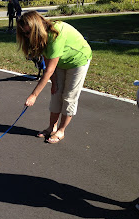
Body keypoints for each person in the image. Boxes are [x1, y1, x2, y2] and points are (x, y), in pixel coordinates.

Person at [17, 11, 92, 143]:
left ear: (37, 28)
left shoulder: (55, 35)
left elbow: (49, 70)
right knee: (56, 93)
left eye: (28, 33)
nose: (26, 36)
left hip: (78, 61)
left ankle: (61, 130)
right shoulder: (42, 37)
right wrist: (54, 82)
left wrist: (34, 95)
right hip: (60, 61)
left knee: (69, 97)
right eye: (24, 33)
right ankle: (51, 127)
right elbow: (47, 58)